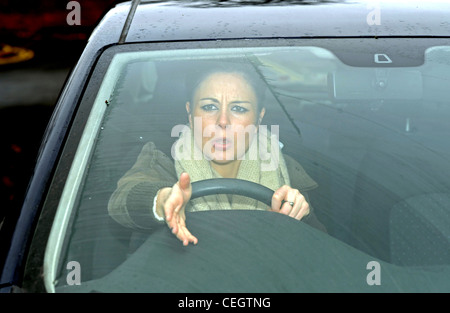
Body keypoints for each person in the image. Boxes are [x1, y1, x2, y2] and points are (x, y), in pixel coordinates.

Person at [108, 63, 326, 246]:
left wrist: (300, 216)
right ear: (190, 114)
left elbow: (323, 257)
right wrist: (163, 200)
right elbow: (122, 200)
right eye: (210, 107)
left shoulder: (286, 169)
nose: (223, 121)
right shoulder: (162, 160)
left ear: (259, 118)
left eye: (238, 109)